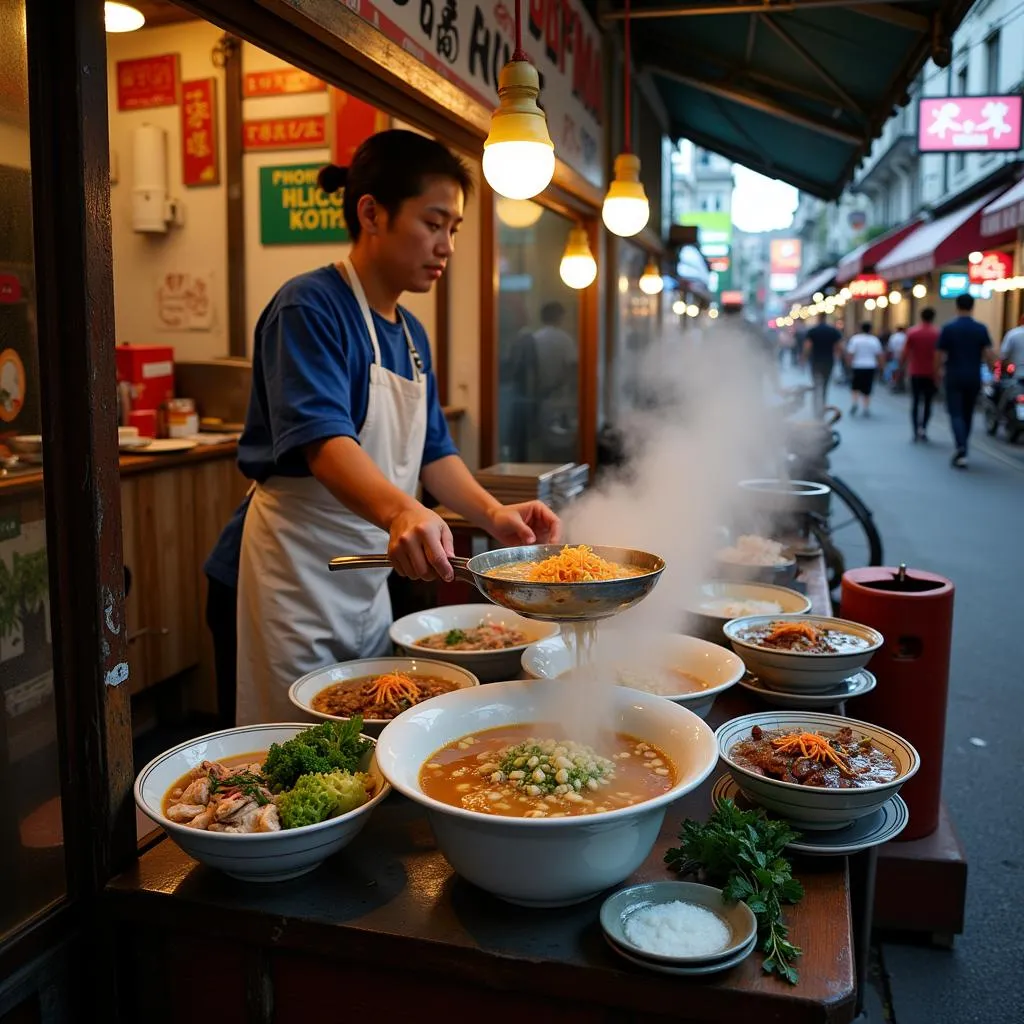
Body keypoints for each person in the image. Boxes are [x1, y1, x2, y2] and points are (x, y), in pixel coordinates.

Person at [207, 130, 561, 725]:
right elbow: (324, 442)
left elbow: (433, 451)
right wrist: (402, 513)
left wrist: (491, 516)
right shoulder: (310, 307)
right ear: (371, 212)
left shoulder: (411, 335)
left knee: (364, 731)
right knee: (287, 748)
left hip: (365, 580)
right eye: (433, 222)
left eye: (454, 229)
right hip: (290, 578)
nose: (445, 245)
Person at [936, 293, 995, 469]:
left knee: (956, 413)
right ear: (972, 307)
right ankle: (963, 447)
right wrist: (992, 372)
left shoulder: (949, 328)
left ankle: (961, 447)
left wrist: (937, 371)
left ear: (956, 306)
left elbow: (939, 354)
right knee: (968, 412)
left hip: (954, 375)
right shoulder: (980, 328)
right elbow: (988, 354)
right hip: (973, 376)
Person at [901, 307, 940, 443]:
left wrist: (901, 368)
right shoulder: (937, 333)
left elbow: (905, 353)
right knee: (928, 402)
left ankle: (915, 430)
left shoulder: (913, 332)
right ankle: (924, 428)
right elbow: (939, 355)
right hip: (931, 373)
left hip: (915, 372)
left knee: (916, 401)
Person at [802, 313, 842, 416]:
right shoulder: (833, 331)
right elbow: (838, 346)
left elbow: (807, 346)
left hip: (815, 361)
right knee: (825, 385)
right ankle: (823, 406)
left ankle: (816, 407)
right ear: (826, 318)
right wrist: (838, 357)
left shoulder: (813, 331)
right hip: (828, 361)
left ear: (818, 318)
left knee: (816, 384)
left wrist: (804, 358)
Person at [844, 322, 884, 417]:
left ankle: (855, 403)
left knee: (855, 386)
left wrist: (848, 364)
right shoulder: (874, 340)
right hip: (870, 366)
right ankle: (866, 407)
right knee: (867, 387)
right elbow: (879, 355)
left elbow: (850, 353)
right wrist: (882, 366)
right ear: (870, 329)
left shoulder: (855, 339)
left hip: (857, 366)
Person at [886, 323, 908, 392]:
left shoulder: (893, 337)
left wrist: (889, 356)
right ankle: (900, 384)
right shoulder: (905, 336)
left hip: (895, 355)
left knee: (894, 370)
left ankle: (894, 384)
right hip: (903, 356)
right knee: (901, 371)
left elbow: (890, 347)